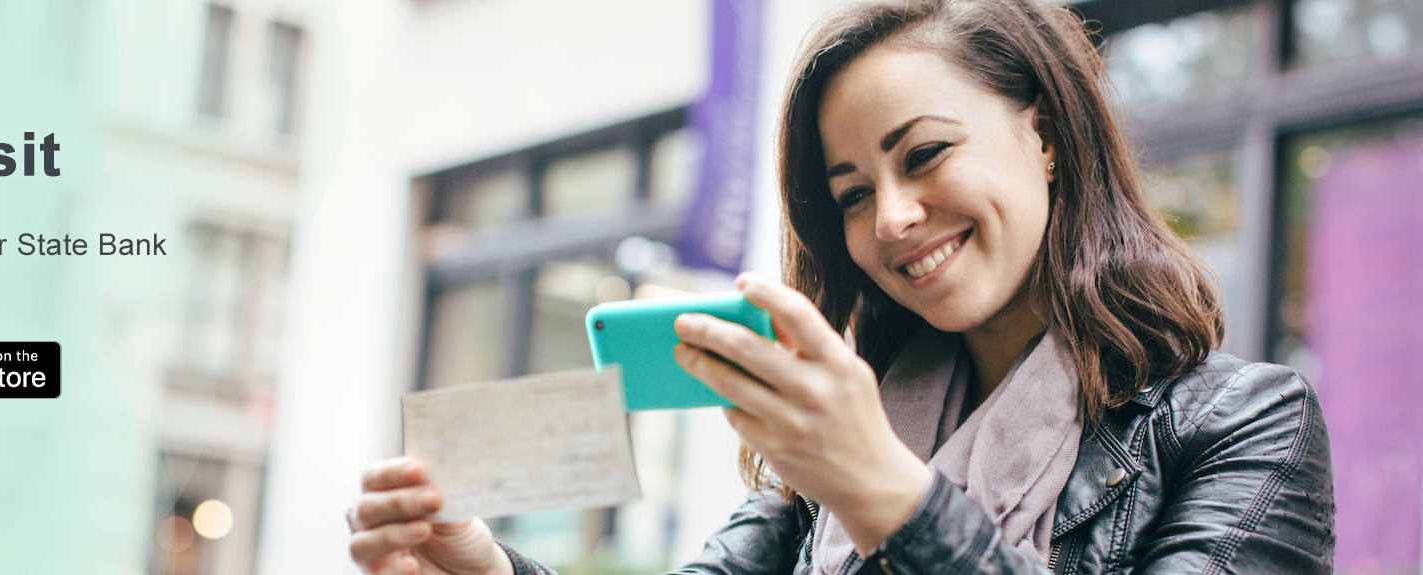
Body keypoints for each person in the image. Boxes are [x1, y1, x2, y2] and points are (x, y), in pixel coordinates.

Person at [345, 0, 1335, 572]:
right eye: (852, 193)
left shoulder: (1246, 421)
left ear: (1042, 134)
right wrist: (484, 563)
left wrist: (888, 494)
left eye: (926, 154)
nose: (893, 218)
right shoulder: (847, 438)